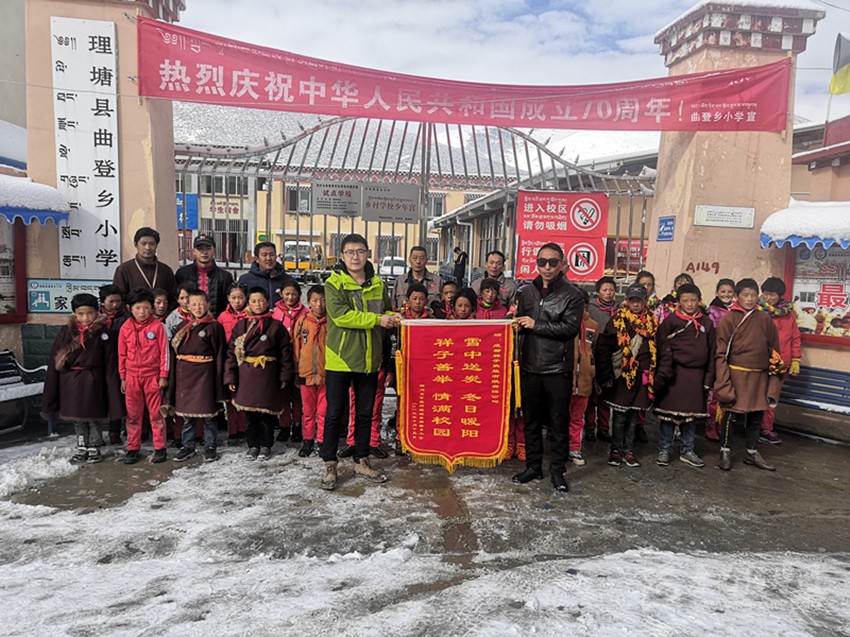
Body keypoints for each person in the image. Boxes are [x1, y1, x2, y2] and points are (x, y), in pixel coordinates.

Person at [319, 233, 399, 491]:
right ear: (342, 256)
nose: (355, 257)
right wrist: (378, 320)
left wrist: (394, 316)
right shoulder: (334, 283)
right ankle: (330, 464)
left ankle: (362, 460)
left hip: (369, 359)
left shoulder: (377, 284)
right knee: (334, 413)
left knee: (365, 413)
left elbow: (385, 310)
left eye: (360, 251)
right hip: (340, 359)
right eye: (350, 252)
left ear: (368, 254)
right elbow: (341, 316)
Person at [512, 243, 584, 493]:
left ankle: (557, 471)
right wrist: (516, 324)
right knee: (530, 420)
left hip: (556, 369)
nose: (547, 267)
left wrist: (536, 324)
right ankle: (533, 466)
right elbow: (521, 324)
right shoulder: (527, 292)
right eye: (542, 262)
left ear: (562, 264)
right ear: (536, 263)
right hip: (530, 367)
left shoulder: (573, 295)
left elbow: (570, 329)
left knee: (558, 423)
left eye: (553, 262)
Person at [42, 293, 123, 464]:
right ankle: (81, 446)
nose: (85, 318)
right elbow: (54, 357)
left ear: (97, 312)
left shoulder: (104, 333)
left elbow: (110, 363)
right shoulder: (66, 332)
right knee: (77, 418)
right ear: (75, 313)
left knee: (94, 417)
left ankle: (94, 445)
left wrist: (112, 387)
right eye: (81, 314)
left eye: (89, 313)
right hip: (70, 381)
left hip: (94, 380)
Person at [714, 278, 785, 472]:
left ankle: (752, 452)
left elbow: (774, 351)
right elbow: (720, 353)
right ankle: (725, 451)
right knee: (731, 414)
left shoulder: (764, 319)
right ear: (737, 297)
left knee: (756, 415)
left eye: (753, 295)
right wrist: (723, 381)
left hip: (759, 376)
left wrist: (773, 379)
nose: (749, 299)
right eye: (745, 295)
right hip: (736, 375)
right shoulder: (729, 319)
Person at [224, 287, 295, 461]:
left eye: (261, 301)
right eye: (254, 301)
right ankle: (253, 445)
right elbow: (231, 353)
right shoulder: (241, 326)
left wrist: (284, 376)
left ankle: (266, 445)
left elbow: (285, 353)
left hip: (268, 375)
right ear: (248, 303)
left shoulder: (276, 327)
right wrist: (231, 376)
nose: (258, 304)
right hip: (246, 375)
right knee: (250, 415)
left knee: (267, 414)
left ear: (268, 302)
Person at [596, 283, 658, 469]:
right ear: (626, 301)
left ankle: (628, 450)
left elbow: (658, 347)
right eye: (632, 300)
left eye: (639, 300)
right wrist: (606, 375)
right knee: (620, 415)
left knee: (633, 416)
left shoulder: (652, 322)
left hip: (642, 376)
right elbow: (603, 348)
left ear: (645, 301)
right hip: (623, 375)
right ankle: (615, 450)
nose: (636, 304)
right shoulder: (617, 320)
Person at [654, 283, 716, 469]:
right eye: (685, 300)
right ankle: (665, 449)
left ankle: (687, 450)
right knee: (668, 416)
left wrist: (709, 379)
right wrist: (662, 374)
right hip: (674, 374)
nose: (690, 304)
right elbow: (661, 347)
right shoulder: (670, 322)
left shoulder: (707, 323)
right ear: (678, 302)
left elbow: (712, 352)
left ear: (699, 300)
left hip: (696, 376)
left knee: (691, 417)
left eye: (693, 300)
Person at [166, 289, 227, 463]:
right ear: (188, 306)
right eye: (194, 304)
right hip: (184, 375)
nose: (198, 307)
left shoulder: (214, 327)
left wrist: (218, 378)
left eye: (201, 304)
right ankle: (188, 446)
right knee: (187, 417)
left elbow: (220, 354)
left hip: (205, 376)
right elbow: (173, 352)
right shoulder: (181, 326)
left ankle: (210, 446)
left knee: (209, 415)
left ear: (208, 304)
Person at [118, 289, 170, 465]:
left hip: (152, 377)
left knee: (156, 414)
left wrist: (163, 375)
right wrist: (123, 377)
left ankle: (160, 447)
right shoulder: (125, 328)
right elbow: (121, 355)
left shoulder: (158, 327)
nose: (142, 312)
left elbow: (164, 353)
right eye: (138, 308)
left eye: (146, 308)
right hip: (132, 377)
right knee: (133, 415)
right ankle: (133, 447)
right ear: (130, 308)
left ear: (152, 308)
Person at [758, 277, 802, 445]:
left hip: (780, 363)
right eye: (766, 293)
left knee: (772, 397)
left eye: (772, 294)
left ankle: (766, 429)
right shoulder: (757, 311)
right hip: (759, 360)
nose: (768, 298)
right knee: (755, 395)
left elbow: (795, 337)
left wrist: (796, 359)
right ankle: (751, 428)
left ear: (780, 295)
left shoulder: (788, 314)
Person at [292, 285, 328, 458]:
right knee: (308, 411)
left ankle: (322, 441)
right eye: (315, 300)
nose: (319, 304)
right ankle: (307, 441)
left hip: (326, 375)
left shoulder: (332, 322)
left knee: (323, 412)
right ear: (308, 303)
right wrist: (296, 370)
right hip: (305, 374)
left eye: (323, 300)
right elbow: (296, 347)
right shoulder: (302, 322)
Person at [272, 279, 309, 443]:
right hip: (281, 360)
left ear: (299, 295)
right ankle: (284, 425)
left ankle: (298, 425)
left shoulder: (306, 313)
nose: (290, 297)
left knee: (298, 396)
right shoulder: (275, 313)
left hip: (300, 359)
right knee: (283, 396)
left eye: (294, 294)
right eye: (287, 294)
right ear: (281, 294)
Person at [566, 290, 599, 466]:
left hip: (584, 381)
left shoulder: (593, 325)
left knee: (578, 418)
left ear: (586, 304)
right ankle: (561, 447)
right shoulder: (565, 322)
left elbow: (594, 350)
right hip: (566, 380)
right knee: (561, 416)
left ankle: (574, 448)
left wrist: (592, 370)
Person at [585, 276, 617, 443]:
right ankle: (590, 428)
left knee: (606, 394)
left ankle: (603, 428)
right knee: (592, 395)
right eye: (605, 290)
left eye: (611, 290)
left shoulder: (619, 310)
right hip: (593, 352)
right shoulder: (591, 308)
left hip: (610, 356)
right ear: (598, 292)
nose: (608, 293)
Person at [218, 283, 248, 445]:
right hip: (228, 361)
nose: (237, 301)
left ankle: (243, 428)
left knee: (243, 396)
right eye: (233, 298)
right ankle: (232, 431)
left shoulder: (249, 315)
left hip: (246, 362)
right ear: (228, 298)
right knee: (230, 398)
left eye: (240, 297)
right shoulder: (223, 317)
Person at [99, 284, 129, 446]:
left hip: (119, 362)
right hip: (100, 363)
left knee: (117, 397)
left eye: (118, 301)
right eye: (111, 301)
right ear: (103, 302)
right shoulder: (96, 318)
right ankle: (96, 434)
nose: (116, 305)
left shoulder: (127, 318)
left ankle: (115, 431)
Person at [175, 234, 234, 317]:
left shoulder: (225, 276)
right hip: (187, 320)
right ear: (194, 251)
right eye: (200, 249)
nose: (204, 252)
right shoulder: (182, 274)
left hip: (216, 321)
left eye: (208, 249)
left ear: (214, 251)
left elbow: (228, 304)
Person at [112, 227, 177, 303]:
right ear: (136, 244)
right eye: (143, 244)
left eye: (152, 244)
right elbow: (119, 299)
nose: (147, 248)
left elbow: (173, 297)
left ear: (156, 246)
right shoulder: (124, 269)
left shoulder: (166, 270)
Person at [706, 278, 736, 441]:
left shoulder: (737, 310)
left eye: (729, 292)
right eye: (723, 291)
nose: (726, 294)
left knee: (728, 393)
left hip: (733, 358)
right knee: (715, 394)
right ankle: (712, 425)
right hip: (717, 356)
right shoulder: (712, 311)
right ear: (717, 292)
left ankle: (723, 426)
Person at [237, 241, 294, 307]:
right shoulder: (246, 280)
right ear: (257, 259)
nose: (269, 258)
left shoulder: (287, 280)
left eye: (272, 255)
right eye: (264, 255)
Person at [391, 245, 443, 310]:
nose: (418, 261)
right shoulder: (400, 281)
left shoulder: (437, 281)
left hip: (430, 316)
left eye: (422, 258)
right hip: (405, 316)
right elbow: (393, 306)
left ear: (426, 260)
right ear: (409, 260)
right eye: (414, 258)